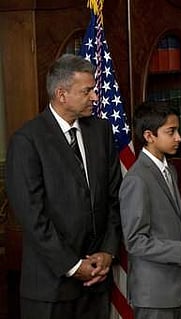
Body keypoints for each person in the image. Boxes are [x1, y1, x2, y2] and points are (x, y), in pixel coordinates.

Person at [5, 54, 122, 319]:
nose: (95, 97)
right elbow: (33, 217)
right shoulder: (27, 140)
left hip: (96, 283)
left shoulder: (101, 131)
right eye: (87, 91)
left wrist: (107, 251)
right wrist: (72, 265)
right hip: (50, 288)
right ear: (61, 94)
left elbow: (114, 198)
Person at [119, 101, 181, 319]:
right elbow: (136, 241)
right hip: (155, 296)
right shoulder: (137, 179)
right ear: (149, 136)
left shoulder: (170, 170)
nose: (179, 138)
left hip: (180, 291)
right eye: (171, 132)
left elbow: (170, 226)